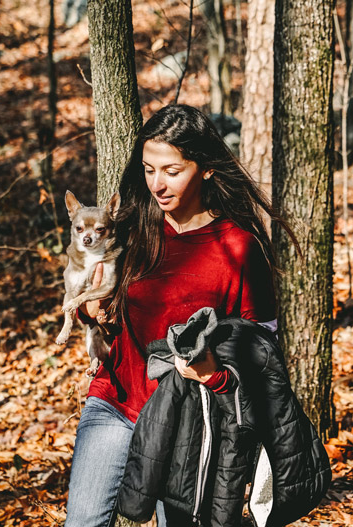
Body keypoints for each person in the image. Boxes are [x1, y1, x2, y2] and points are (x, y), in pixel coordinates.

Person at [64, 104, 295, 527]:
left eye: (171, 170)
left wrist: (215, 375)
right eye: (149, 170)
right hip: (115, 402)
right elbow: (98, 307)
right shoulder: (132, 231)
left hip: (188, 425)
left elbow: (265, 359)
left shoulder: (238, 248)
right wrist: (92, 311)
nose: (157, 183)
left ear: (205, 168)